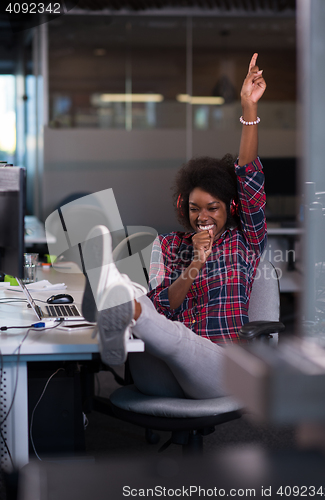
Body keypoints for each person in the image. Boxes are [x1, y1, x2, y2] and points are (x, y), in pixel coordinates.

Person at [82, 53, 267, 400]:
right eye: (195, 208)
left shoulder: (246, 240)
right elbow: (166, 308)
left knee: (175, 335)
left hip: (221, 371)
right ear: (184, 208)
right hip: (167, 372)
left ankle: (121, 302)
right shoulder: (168, 245)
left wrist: (248, 108)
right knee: (153, 309)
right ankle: (118, 292)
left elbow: (250, 176)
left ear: (232, 207)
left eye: (213, 208)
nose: (203, 216)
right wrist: (195, 263)